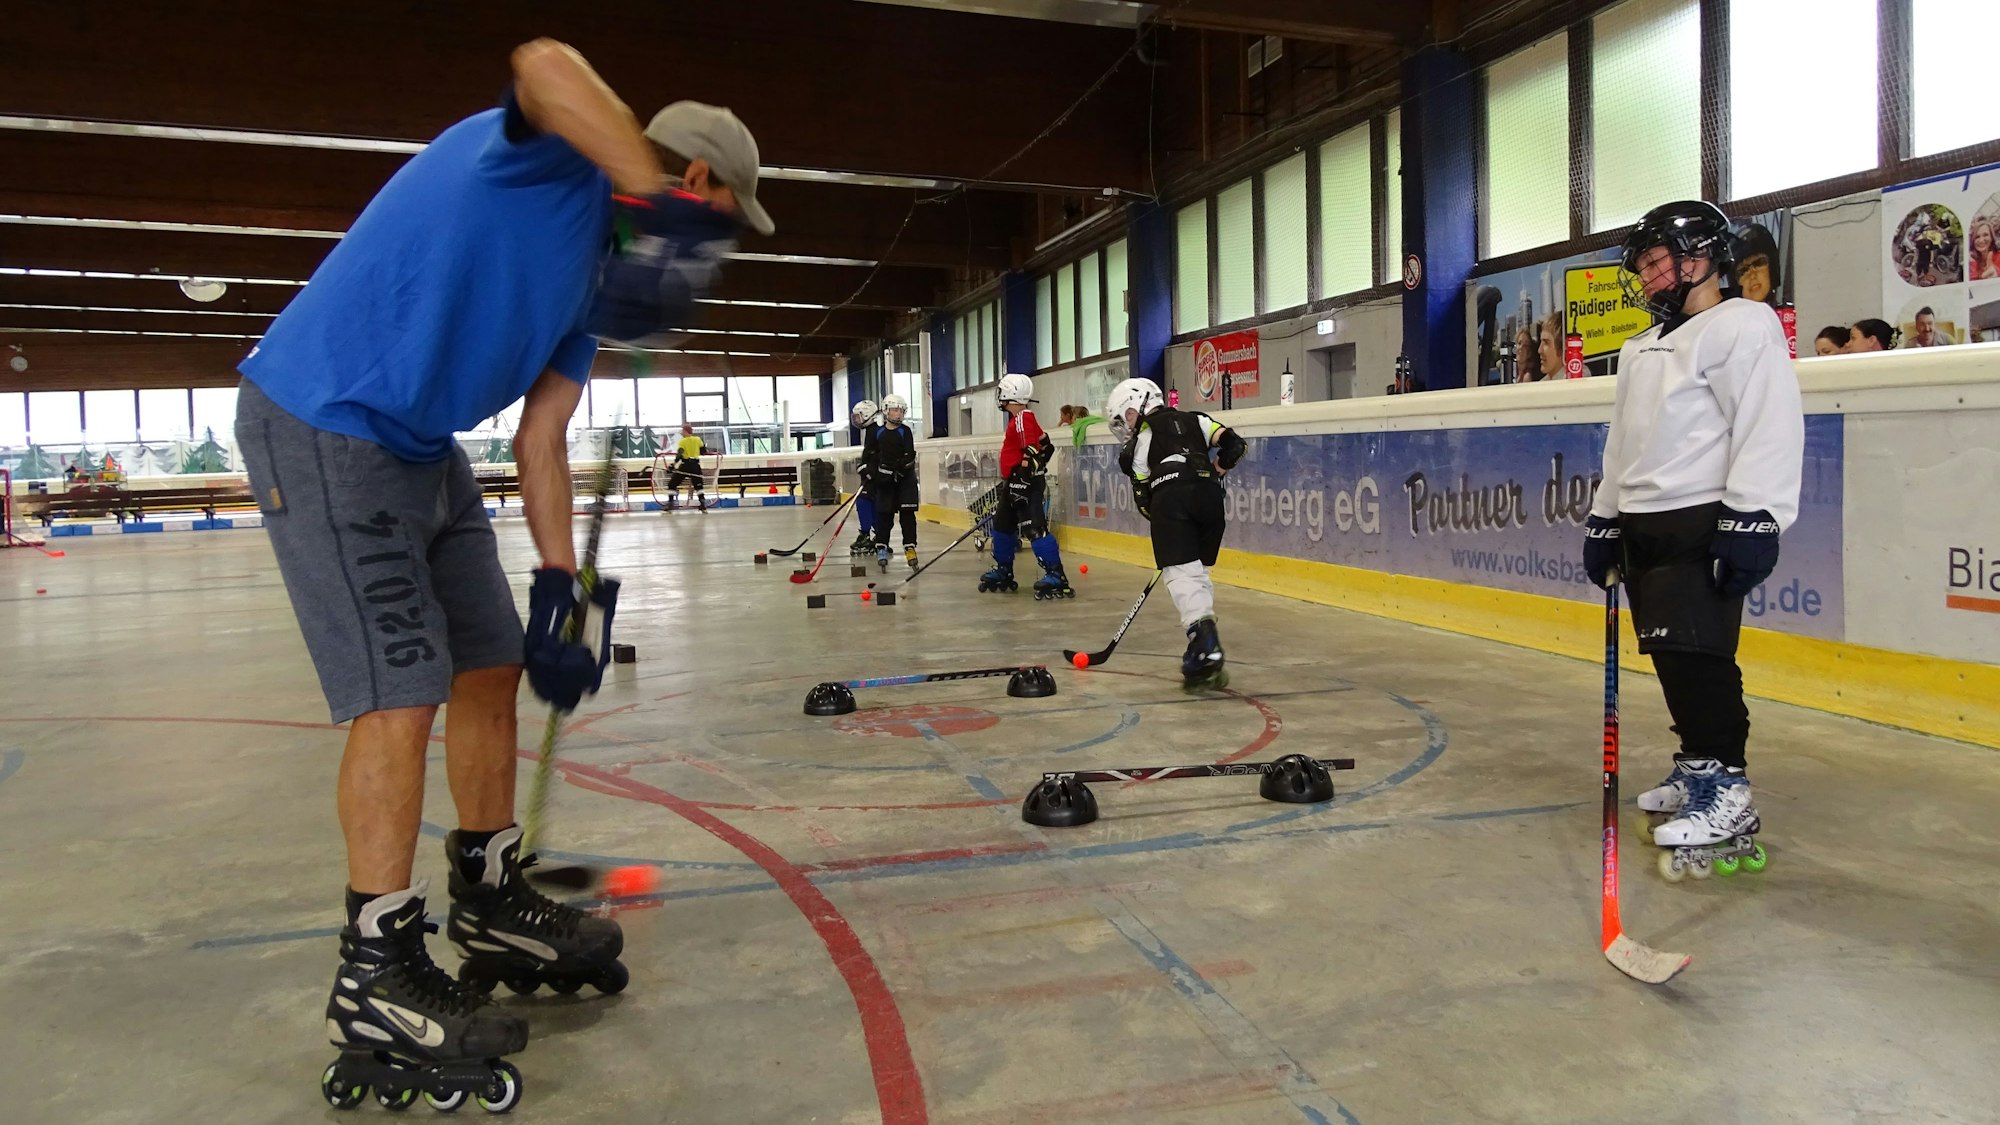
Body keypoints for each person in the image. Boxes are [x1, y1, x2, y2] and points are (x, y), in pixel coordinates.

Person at [235, 38, 771, 1107]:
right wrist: (642, 189)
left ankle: (485, 895)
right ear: (697, 183)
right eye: (718, 222)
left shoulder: (601, 283)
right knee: (401, 688)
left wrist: (564, 591)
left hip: (424, 451)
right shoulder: (546, 160)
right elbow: (540, 61)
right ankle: (375, 970)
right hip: (328, 422)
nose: (713, 250)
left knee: (487, 666)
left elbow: (542, 438)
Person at [1583, 200, 1802, 881]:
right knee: (1669, 654)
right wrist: (1606, 517)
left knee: (1700, 654)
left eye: (1655, 262)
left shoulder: (1742, 324)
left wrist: (1754, 515)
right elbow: (1624, 442)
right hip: (1645, 523)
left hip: (1702, 518)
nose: (1646, 277)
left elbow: (1767, 419)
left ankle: (1728, 791)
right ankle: (1698, 767)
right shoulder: (1642, 347)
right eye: (1642, 266)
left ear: (1700, 256)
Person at [1105, 376, 1246, 687]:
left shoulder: (1143, 437)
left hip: (1172, 500)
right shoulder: (1197, 420)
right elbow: (1235, 445)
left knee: (1181, 574)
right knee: (1196, 573)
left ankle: (1206, 645)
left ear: (1136, 407)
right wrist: (1215, 472)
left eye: (1126, 417)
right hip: (1210, 499)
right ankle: (1199, 644)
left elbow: (1143, 498)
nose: (1127, 426)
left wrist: (1165, 523)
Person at [977, 374, 1073, 600]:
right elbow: (1045, 445)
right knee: (1002, 526)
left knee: (1034, 529)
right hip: (1015, 482)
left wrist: (1024, 475)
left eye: (1001, 392)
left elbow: (1031, 450)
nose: (999, 396)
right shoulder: (1024, 418)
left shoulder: (1021, 418)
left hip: (1025, 484)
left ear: (1009, 393)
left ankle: (1056, 574)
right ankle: (1003, 570)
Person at [860, 394, 919, 570]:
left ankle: (910, 547)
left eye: (901, 410)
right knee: (884, 516)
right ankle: (882, 547)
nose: (898, 414)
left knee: (907, 516)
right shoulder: (877, 432)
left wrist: (898, 471)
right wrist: (870, 475)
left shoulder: (905, 431)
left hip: (905, 481)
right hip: (884, 482)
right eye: (894, 410)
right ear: (886, 411)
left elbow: (909, 456)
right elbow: (867, 458)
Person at [848, 399, 880, 554]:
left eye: (859, 416)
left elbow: (878, 455)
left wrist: (868, 469)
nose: (856, 419)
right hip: (872, 477)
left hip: (875, 478)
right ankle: (880, 536)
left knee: (864, 502)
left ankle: (867, 535)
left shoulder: (876, 431)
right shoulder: (870, 431)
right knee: (870, 503)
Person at [665, 422, 709, 512]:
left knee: (672, 484)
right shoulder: (698, 439)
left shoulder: (682, 441)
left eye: (682, 431)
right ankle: (703, 503)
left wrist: (672, 465)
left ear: (685, 431)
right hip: (696, 466)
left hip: (685, 466)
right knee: (698, 485)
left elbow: (679, 455)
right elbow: (703, 451)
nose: (681, 432)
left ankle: (670, 504)